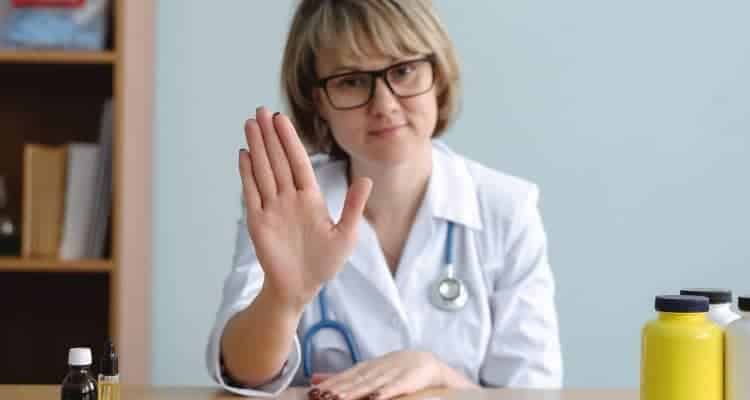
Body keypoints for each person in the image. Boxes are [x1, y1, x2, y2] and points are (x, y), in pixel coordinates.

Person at [206, 1, 562, 398]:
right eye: (351, 80)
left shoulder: (506, 208)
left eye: (404, 70)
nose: (385, 104)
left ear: (439, 75)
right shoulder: (288, 204)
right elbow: (242, 374)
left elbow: (534, 393)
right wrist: (284, 298)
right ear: (317, 101)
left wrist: (435, 372)